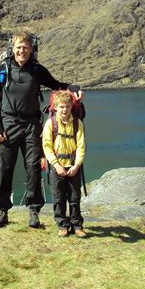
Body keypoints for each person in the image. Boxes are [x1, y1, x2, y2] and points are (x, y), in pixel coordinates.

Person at [0, 31, 82, 229]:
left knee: (33, 169)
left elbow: (57, 85)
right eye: (18, 47)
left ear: (31, 50)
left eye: (25, 47)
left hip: (32, 125)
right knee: (4, 169)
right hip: (8, 125)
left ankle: (34, 211)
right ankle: (2, 211)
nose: (22, 51)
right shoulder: (2, 70)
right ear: (12, 49)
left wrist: (75, 88)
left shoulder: (37, 70)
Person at [42, 91, 86, 238]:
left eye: (67, 106)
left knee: (74, 197)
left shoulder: (77, 123)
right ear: (55, 107)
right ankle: (62, 225)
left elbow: (81, 146)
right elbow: (47, 146)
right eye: (61, 107)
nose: (64, 110)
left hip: (73, 165)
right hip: (57, 167)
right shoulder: (50, 123)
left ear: (71, 107)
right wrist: (56, 165)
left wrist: (77, 165)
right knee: (58, 197)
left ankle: (76, 225)